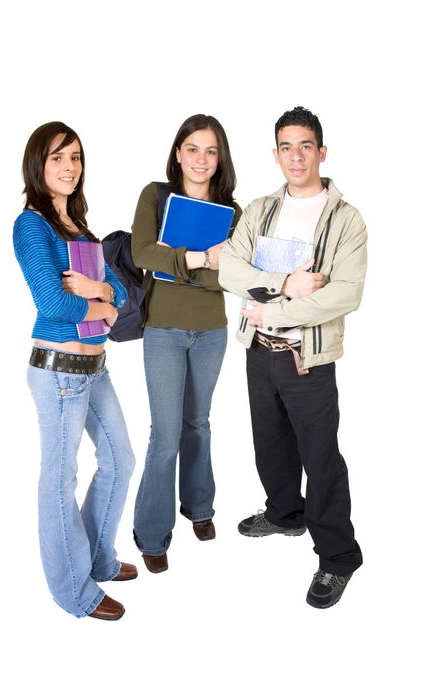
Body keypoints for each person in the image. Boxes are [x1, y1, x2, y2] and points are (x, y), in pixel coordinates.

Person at [219, 106, 367, 609]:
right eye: (287, 146)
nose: (296, 155)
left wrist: (276, 307)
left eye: (306, 145)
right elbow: (230, 271)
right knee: (270, 445)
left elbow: (345, 293)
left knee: (320, 458)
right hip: (259, 351)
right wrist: (285, 284)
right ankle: (285, 513)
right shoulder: (259, 209)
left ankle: (338, 557)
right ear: (275, 154)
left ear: (321, 152)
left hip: (308, 358)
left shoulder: (346, 220)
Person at [13, 121, 136, 620]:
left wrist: (99, 293)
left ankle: (99, 560)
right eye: (58, 158)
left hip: (95, 368)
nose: (69, 167)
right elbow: (51, 301)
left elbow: (121, 293)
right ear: (39, 165)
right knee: (59, 478)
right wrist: (99, 301)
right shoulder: (32, 225)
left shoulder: (80, 228)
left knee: (120, 459)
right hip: (59, 372)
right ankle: (73, 591)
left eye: (76, 158)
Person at [131, 114, 241, 573]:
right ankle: (152, 534)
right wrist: (198, 259)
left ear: (220, 160)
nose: (201, 159)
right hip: (164, 330)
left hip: (211, 331)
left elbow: (232, 277)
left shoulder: (233, 214)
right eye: (193, 149)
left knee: (198, 422)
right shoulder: (156, 196)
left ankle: (199, 507)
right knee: (165, 434)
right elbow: (142, 253)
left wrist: (176, 262)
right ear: (178, 153)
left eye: (211, 151)